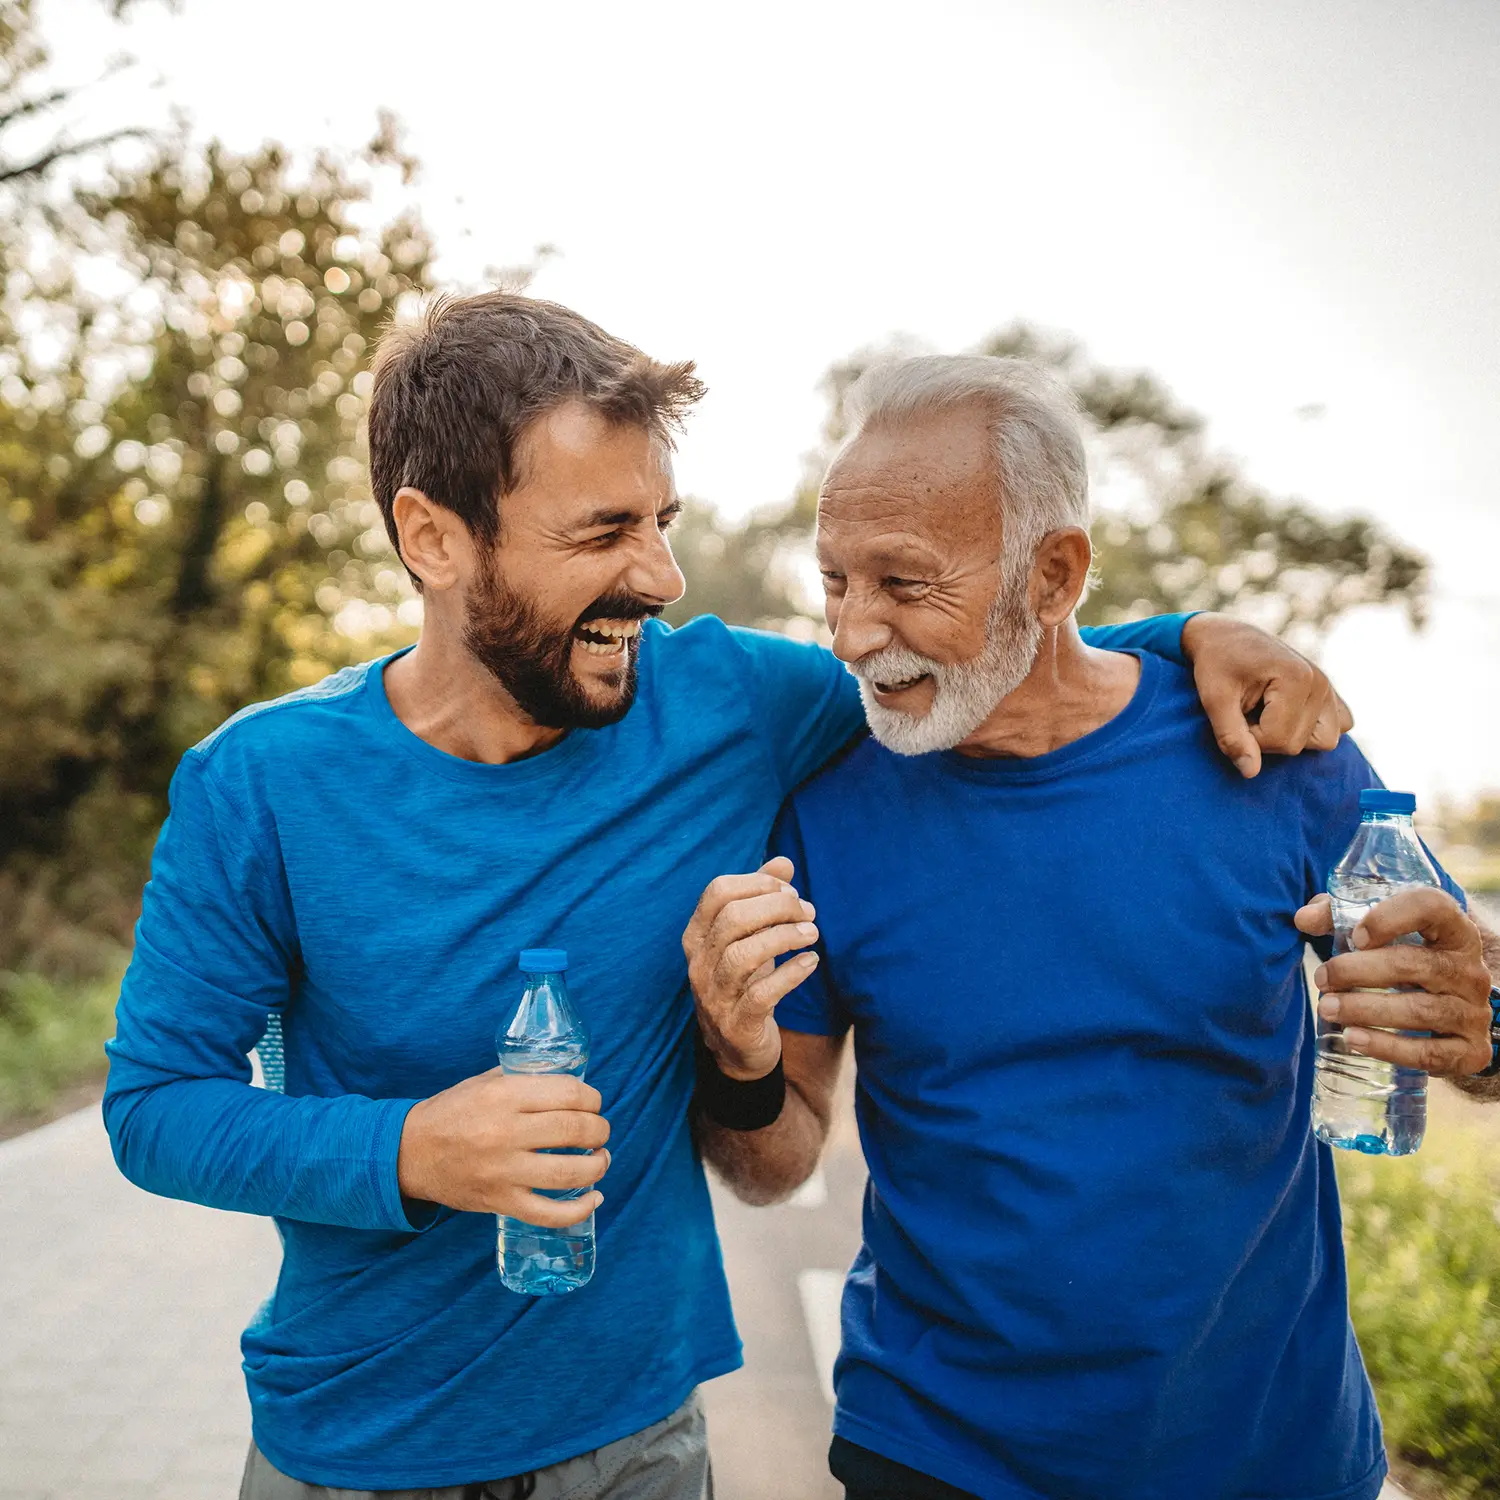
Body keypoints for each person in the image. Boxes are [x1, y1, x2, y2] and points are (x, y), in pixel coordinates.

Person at [104, 295, 1353, 1500]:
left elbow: (985, 657)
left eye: (662, 519)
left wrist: (1195, 638)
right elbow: (155, 1107)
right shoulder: (259, 786)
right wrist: (409, 1149)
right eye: (602, 533)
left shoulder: (729, 708)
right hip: (352, 1439)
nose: (660, 576)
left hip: (634, 1441)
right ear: (434, 538)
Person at [683, 354, 1500, 1500]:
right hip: (935, 1455)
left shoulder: (1272, 757)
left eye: (905, 584)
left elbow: (1469, 1022)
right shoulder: (827, 809)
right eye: (835, 582)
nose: (856, 635)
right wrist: (739, 1059)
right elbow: (774, 1167)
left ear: (1053, 574)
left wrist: (1484, 1028)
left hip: (1272, 1456)